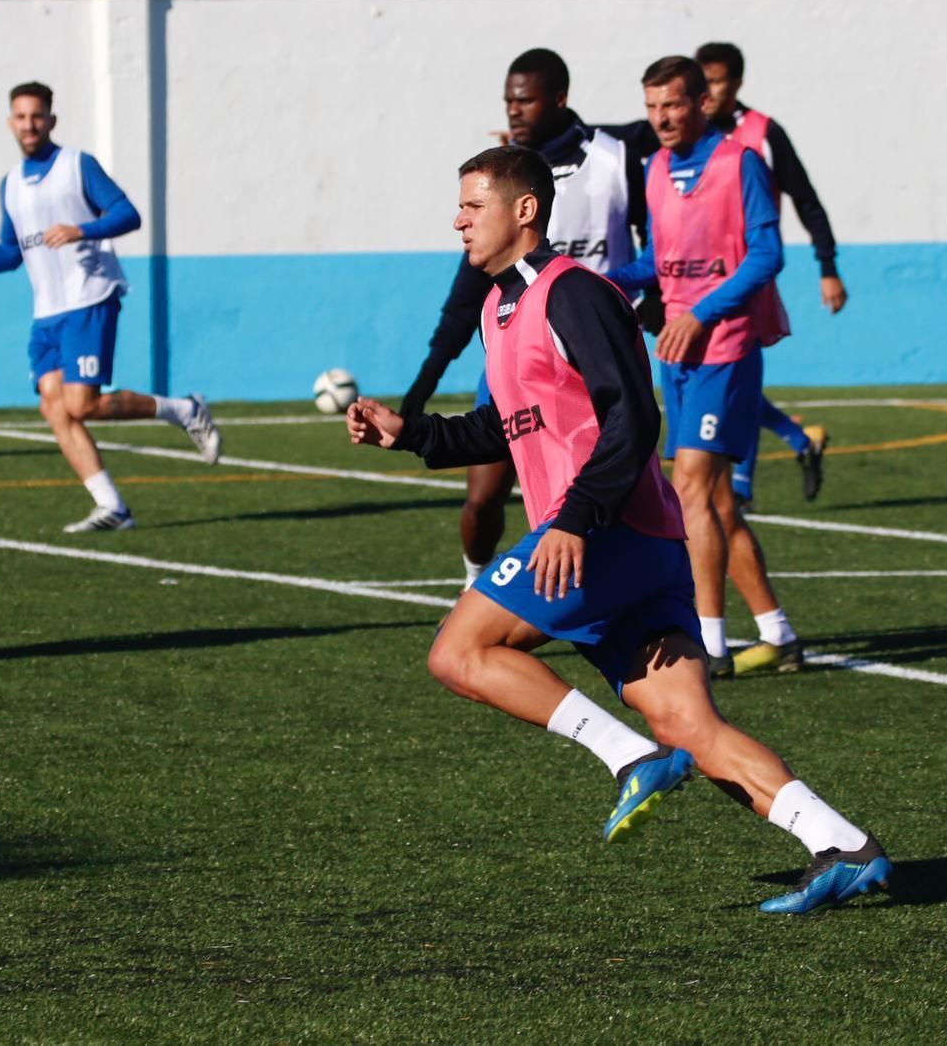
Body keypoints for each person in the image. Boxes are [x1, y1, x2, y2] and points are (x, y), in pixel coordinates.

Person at [348, 145, 892, 914]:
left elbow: (633, 417)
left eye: (473, 204)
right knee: (689, 725)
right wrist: (411, 434)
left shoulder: (573, 292)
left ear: (525, 210)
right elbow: (506, 427)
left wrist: (575, 519)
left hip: (609, 534)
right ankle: (842, 846)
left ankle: (630, 758)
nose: (458, 220)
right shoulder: (498, 310)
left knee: (458, 652)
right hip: (633, 547)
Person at [398, 49, 647, 593]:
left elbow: (661, 242)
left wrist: (646, 295)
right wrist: (415, 409)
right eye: (508, 100)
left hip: (586, 354)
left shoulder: (611, 161)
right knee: (484, 495)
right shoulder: (497, 284)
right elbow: (463, 302)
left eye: (526, 99)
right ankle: (477, 584)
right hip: (523, 350)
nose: (513, 109)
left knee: (465, 648)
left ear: (558, 98)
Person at [0, 81, 220, 532]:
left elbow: (128, 214)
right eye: (21, 117)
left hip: (89, 298)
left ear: (51, 120)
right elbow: (10, 254)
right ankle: (112, 507)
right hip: (46, 314)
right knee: (55, 409)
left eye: (37, 116)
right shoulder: (10, 186)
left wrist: (81, 230)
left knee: (82, 404)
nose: (29, 125)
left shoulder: (77, 166)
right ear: (10, 122)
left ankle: (185, 410)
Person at [608, 57, 802, 679]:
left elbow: (767, 255)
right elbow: (658, 262)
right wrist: (598, 281)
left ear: (701, 103)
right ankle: (778, 633)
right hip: (677, 349)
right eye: (652, 107)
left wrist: (701, 313)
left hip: (725, 345)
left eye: (672, 104)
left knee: (688, 487)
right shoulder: (656, 169)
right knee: (715, 501)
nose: (661, 118)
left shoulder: (741, 162)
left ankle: (709, 642)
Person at [697, 41, 848, 510]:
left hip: (749, 275)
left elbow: (806, 199)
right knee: (722, 375)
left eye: (717, 81)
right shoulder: (685, 132)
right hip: (697, 279)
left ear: (737, 83)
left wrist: (828, 267)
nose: (708, 91)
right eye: (702, 81)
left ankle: (742, 486)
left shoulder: (763, 133)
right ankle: (800, 441)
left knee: (735, 371)